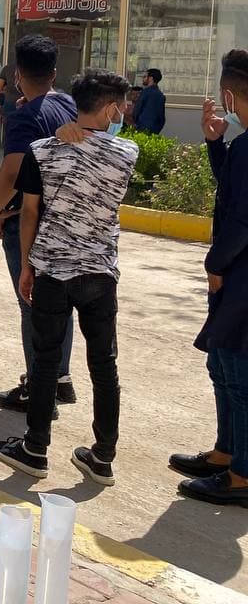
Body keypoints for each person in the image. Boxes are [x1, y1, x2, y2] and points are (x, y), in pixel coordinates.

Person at [0, 68, 137, 486]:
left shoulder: (43, 151)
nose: (123, 113)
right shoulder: (127, 152)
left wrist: (26, 265)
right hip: (100, 273)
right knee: (104, 364)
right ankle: (103, 456)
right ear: (109, 109)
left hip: (52, 270)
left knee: (45, 361)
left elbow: (30, 213)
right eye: (121, 107)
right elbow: (102, 155)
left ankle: (35, 448)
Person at [0, 35, 79, 412]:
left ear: (18, 75)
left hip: (30, 221)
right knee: (59, 304)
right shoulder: (70, 105)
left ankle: (39, 390)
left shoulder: (25, 116)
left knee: (32, 304)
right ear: (54, 73)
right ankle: (59, 378)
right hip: (65, 219)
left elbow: (11, 169)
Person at [171, 52, 248, 507]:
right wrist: (215, 144)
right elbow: (232, 190)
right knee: (221, 365)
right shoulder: (242, 145)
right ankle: (226, 453)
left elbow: (241, 220)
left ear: (229, 95)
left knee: (237, 373)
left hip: (239, 276)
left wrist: (216, 265)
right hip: (235, 272)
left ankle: (241, 475)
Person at [132, 67, 166, 134]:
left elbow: (137, 111)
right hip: (154, 130)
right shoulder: (161, 95)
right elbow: (161, 117)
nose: (143, 78)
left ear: (150, 78)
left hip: (141, 128)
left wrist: (136, 124)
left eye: (145, 76)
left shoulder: (145, 93)